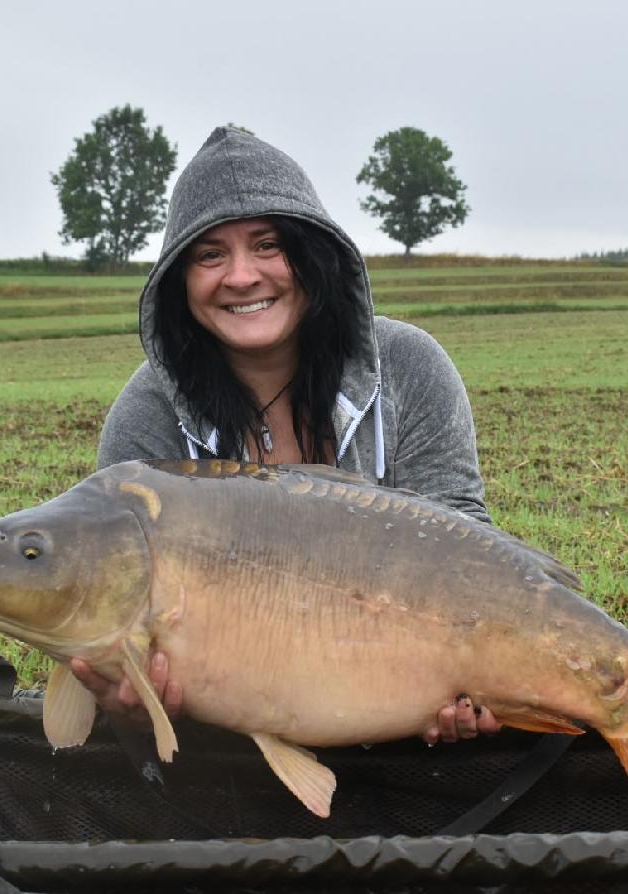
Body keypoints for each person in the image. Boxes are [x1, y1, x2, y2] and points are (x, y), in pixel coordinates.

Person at [71, 126, 499, 744]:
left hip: (409, 717)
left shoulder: (410, 366)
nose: (241, 276)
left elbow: (465, 537)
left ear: (313, 256)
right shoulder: (146, 418)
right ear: (179, 282)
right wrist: (132, 702)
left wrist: (470, 684)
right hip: (233, 757)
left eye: (268, 245)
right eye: (209, 255)